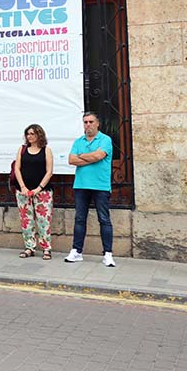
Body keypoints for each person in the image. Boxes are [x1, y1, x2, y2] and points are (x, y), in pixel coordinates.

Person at [65, 112, 116, 267]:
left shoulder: (106, 139)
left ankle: (108, 254)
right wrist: (90, 157)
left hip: (100, 186)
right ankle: (76, 251)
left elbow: (99, 156)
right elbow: (71, 160)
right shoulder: (78, 141)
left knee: (104, 219)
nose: (88, 125)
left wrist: (82, 157)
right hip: (81, 185)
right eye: (85, 122)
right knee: (80, 219)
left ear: (97, 123)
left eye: (91, 121)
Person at [14, 124, 55, 260]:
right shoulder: (22, 149)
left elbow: (49, 172)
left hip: (43, 192)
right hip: (23, 192)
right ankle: (29, 247)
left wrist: (38, 188)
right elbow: (17, 169)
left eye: (33, 134)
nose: (30, 136)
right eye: (28, 134)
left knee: (44, 221)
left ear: (39, 135)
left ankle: (46, 248)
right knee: (26, 221)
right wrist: (23, 187)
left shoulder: (46, 150)